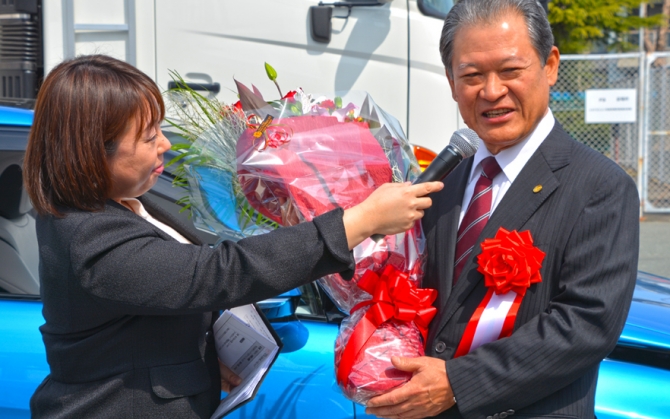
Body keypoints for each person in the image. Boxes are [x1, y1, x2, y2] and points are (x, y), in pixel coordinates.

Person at [23, 54, 443, 418]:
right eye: (149, 137)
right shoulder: (89, 238)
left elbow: (150, 311)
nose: (165, 145)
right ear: (94, 151)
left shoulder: (118, 208)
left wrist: (199, 356)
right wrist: (359, 221)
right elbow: (215, 274)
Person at [365, 1, 639, 418]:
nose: (491, 91)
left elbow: (585, 325)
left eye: (510, 71)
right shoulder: (439, 183)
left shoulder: (599, 186)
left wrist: (458, 383)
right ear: (452, 82)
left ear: (549, 66)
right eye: (472, 75)